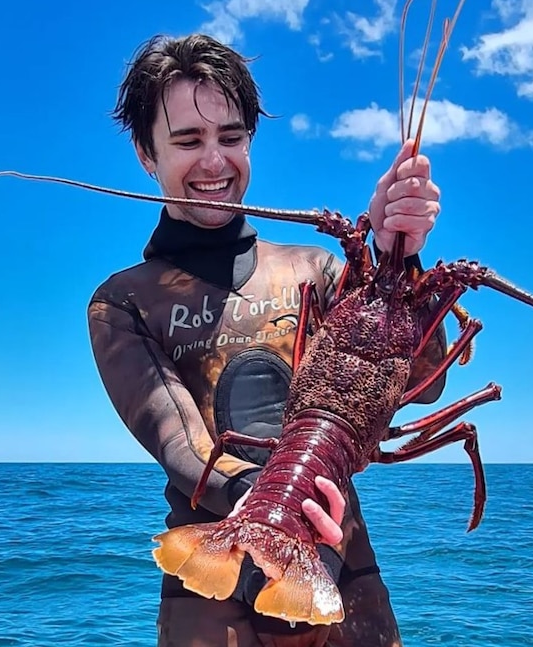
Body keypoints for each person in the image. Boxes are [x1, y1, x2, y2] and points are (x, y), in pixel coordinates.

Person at [87, 33, 447, 647]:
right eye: (187, 140)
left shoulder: (321, 270)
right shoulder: (124, 301)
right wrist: (274, 507)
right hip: (215, 588)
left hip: (342, 574)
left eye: (231, 137)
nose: (213, 161)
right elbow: (179, 440)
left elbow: (424, 385)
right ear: (147, 153)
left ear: (250, 141)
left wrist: (402, 254)